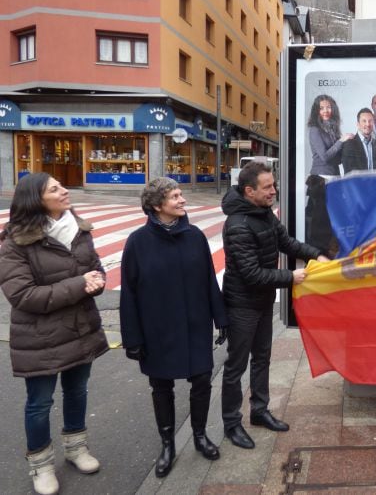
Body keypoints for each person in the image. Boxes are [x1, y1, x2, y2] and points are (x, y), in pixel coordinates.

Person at [0, 173, 108, 495]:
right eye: (55, 189)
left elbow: (96, 269)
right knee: (40, 402)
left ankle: (76, 449)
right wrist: (80, 284)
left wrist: (97, 281)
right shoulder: (15, 243)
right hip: (40, 337)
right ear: (36, 199)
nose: (65, 191)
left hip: (80, 328)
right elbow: (23, 296)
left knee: (77, 392)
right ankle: (42, 465)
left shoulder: (79, 231)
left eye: (63, 185)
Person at [119, 177, 229, 478]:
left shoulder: (194, 235)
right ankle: (167, 444)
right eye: (176, 196)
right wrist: (132, 338)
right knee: (161, 386)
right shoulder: (138, 242)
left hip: (195, 325)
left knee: (202, 380)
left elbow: (209, 280)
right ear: (157, 206)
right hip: (157, 329)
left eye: (181, 195)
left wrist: (221, 320)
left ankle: (199, 435)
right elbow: (128, 293)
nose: (182, 200)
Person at [220, 162, 329, 449]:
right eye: (267, 187)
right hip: (242, 305)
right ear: (249, 191)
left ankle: (259, 411)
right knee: (236, 366)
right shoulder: (238, 225)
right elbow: (251, 274)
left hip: (263, 300)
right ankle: (231, 423)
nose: (273, 191)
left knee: (262, 358)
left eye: (273, 185)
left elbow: (287, 242)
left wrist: (317, 255)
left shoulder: (263, 213)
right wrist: (292, 276)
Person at [307, 94, 353, 176]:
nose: (325, 111)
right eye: (321, 108)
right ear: (316, 111)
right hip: (320, 177)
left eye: (328, 107)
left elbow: (338, 158)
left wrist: (349, 145)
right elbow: (325, 157)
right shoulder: (315, 130)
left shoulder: (333, 129)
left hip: (335, 175)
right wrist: (341, 140)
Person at [341, 108, 376, 173]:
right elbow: (349, 172)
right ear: (358, 124)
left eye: (370, 121)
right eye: (364, 121)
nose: (368, 124)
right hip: (357, 182)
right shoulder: (349, 144)